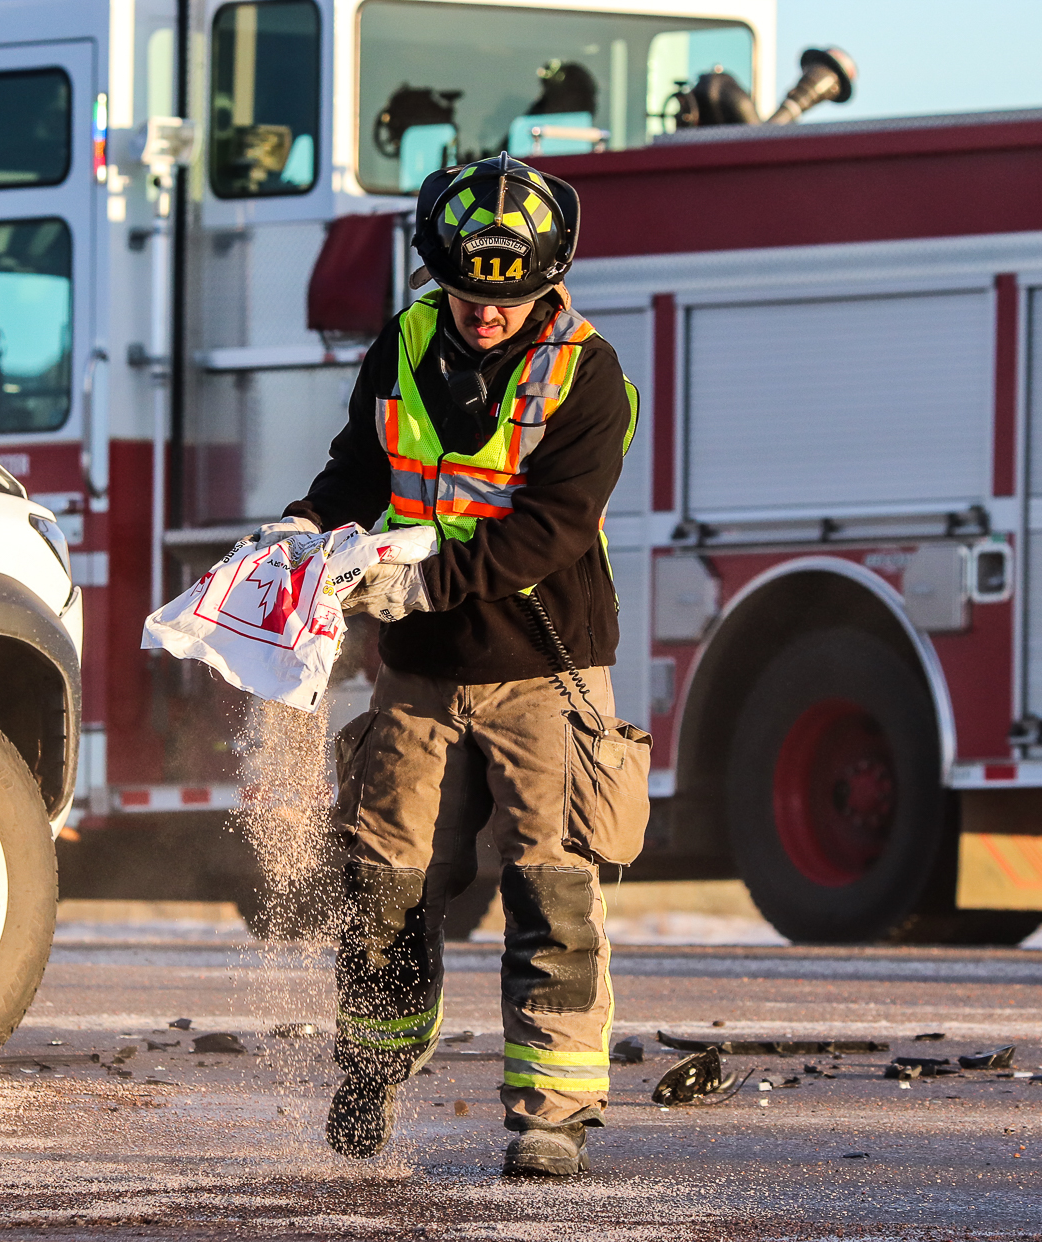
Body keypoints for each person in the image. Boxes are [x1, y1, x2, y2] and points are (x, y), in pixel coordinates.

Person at [251, 153, 649, 1177]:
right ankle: (373, 1072)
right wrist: (305, 526)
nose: (484, 312)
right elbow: (360, 465)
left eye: (505, 296)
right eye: (468, 291)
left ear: (545, 279)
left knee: (550, 893)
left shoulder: (589, 374)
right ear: (438, 271)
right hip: (420, 672)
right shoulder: (406, 338)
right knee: (381, 882)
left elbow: (552, 530)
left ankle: (551, 1117)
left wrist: (419, 584)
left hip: (543, 672)